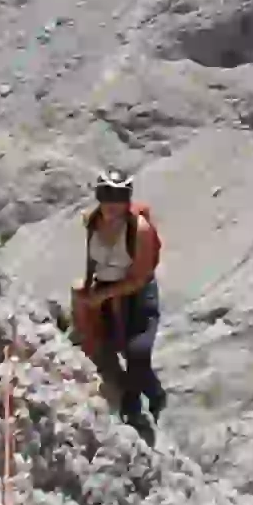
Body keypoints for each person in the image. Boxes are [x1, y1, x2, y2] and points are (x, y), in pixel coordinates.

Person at [70, 170, 165, 431]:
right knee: (117, 347)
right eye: (107, 195)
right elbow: (92, 257)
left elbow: (139, 278)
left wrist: (101, 295)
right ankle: (155, 393)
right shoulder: (93, 221)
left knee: (138, 350)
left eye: (119, 196)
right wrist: (88, 286)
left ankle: (133, 407)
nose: (112, 204)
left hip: (137, 293)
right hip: (107, 288)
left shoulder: (139, 230)